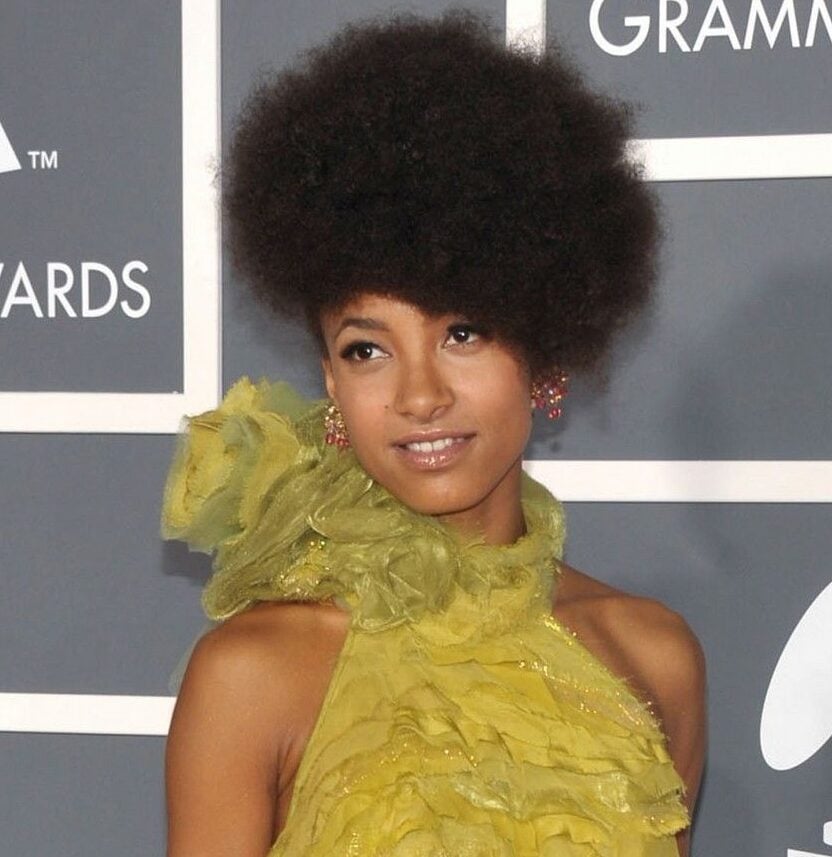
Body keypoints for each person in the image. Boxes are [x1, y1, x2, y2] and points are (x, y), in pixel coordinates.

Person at [160, 11, 706, 857]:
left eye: (464, 332)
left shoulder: (651, 654)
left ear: (545, 349)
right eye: (368, 348)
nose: (419, 395)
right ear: (332, 382)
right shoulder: (252, 673)